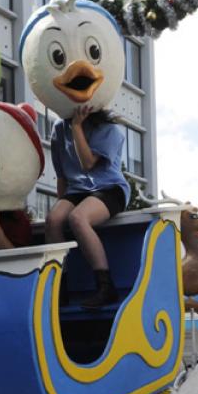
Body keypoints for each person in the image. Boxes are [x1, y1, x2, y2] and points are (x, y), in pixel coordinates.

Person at [44, 105, 129, 308]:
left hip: (109, 188)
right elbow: (62, 174)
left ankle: (106, 286)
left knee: (78, 218)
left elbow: (87, 163)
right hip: (77, 190)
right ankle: (59, 287)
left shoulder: (110, 130)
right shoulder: (58, 127)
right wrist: (60, 203)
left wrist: (76, 127)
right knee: (53, 220)